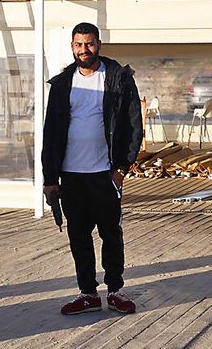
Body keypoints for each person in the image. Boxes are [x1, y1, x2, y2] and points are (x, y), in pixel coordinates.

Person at [41, 22, 144, 315]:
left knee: (111, 234)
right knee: (79, 236)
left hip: (105, 174)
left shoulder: (118, 78)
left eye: (89, 44)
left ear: (98, 44)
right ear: (72, 46)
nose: (83, 50)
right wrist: (50, 178)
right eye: (78, 45)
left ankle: (115, 291)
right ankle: (87, 294)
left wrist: (122, 169)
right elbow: (51, 133)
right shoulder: (62, 84)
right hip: (71, 175)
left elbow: (134, 126)